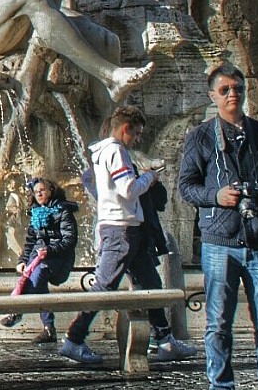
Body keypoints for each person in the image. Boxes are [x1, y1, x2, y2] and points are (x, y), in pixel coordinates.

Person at [177, 62, 258, 390]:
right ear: (213, 96)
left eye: (238, 88)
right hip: (219, 241)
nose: (234, 94)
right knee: (218, 323)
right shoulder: (200, 137)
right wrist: (217, 196)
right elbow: (186, 186)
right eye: (226, 89)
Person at [65, 103, 186, 368]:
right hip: (121, 229)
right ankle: (73, 339)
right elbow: (128, 189)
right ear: (124, 129)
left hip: (127, 229)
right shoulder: (116, 152)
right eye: (137, 133)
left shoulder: (100, 152)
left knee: (151, 283)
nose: (138, 139)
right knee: (104, 286)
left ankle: (165, 340)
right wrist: (150, 179)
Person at [8, 178, 79, 342]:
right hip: (39, 258)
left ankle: (18, 311)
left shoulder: (63, 211)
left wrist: (50, 250)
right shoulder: (36, 213)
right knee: (35, 280)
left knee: (38, 275)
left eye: (43, 190)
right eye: (36, 191)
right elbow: (30, 242)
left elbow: (70, 240)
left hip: (59, 259)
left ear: (51, 191)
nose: (39, 193)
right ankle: (49, 329)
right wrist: (22, 260)